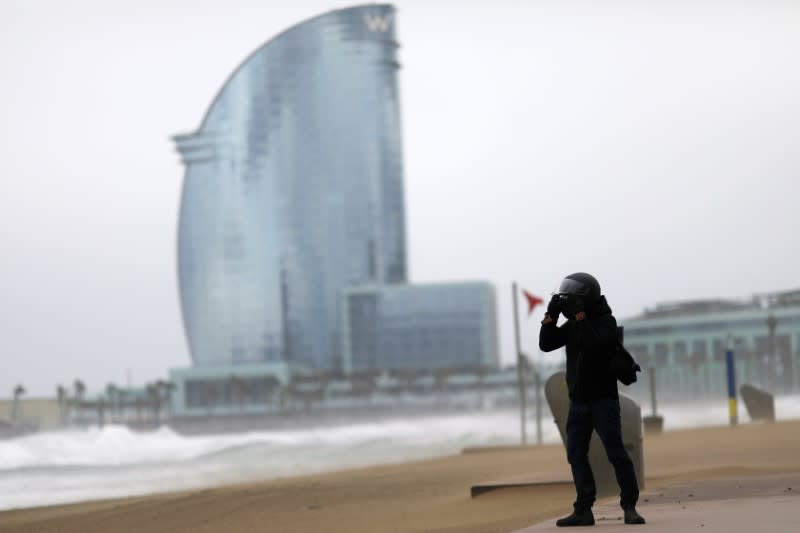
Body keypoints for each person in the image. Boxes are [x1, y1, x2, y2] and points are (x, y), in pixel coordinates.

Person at [539, 272, 646, 526]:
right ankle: (583, 509)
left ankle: (629, 507)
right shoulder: (575, 324)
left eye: (573, 293)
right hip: (579, 402)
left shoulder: (605, 321)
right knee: (576, 454)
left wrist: (581, 317)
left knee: (616, 453)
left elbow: (596, 345)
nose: (569, 297)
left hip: (603, 401)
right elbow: (546, 344)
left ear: (586, 296)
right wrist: (550, 316)